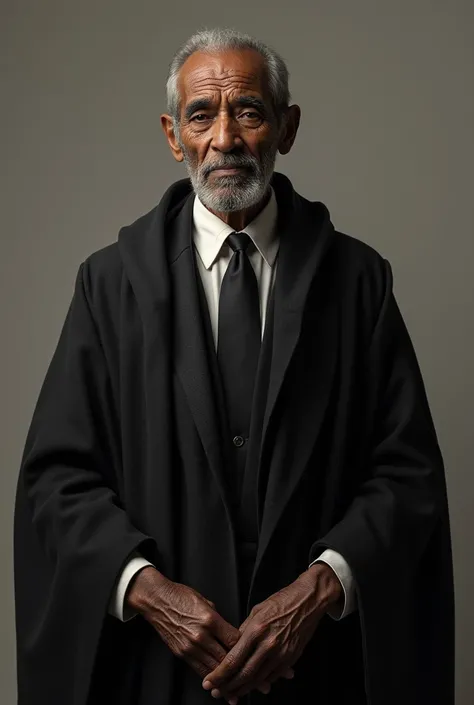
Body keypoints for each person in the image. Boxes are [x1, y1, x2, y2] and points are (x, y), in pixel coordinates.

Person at [14, 27, 454, 705]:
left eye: (248, 110)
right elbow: (57, 481)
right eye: (201, 114)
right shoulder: (109, 287)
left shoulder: (359, 282)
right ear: (172, 136)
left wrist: (319, 588)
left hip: (315, 672)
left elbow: (407, 473)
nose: (225, 137)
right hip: (160, 674)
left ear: (287, 126)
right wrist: (148, 590)